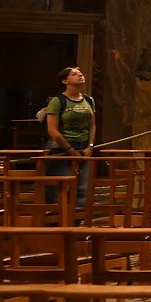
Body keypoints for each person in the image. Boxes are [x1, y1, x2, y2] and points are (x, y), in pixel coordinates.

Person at [40, 64, 97, 207]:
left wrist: (90, 146)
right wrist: (70, 150)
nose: (80, 74)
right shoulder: (57, 101)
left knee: (82, 190)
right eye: (74, 74)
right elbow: (53, 130)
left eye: (81, 73)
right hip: (61, 149)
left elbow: (92, 125)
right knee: (59, 190)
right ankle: (56, 224)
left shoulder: (89, 100)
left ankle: (76, 224)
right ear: (65, 81)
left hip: (83, 148)